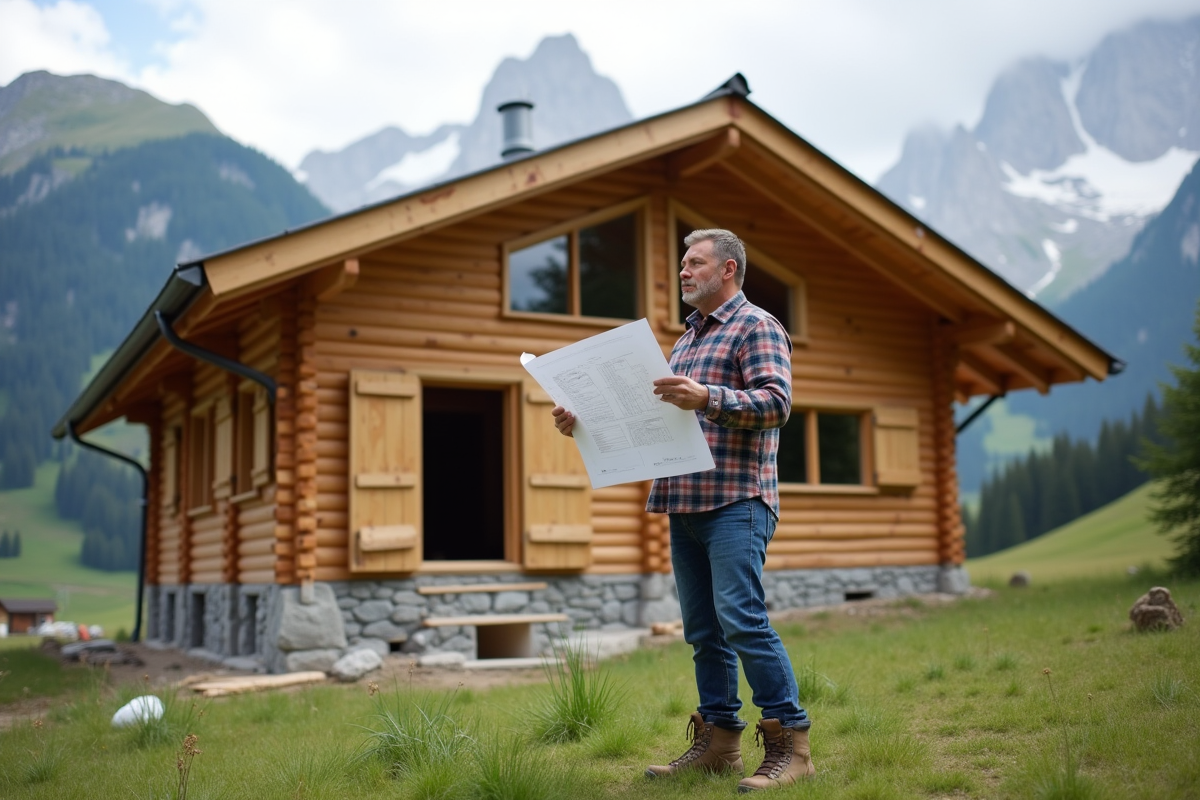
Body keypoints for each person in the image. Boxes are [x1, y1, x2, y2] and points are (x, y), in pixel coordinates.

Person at [552, 229, 814, 792]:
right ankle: (720, 745)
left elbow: (777, 403)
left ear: (728, 270)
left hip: (738, 501)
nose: (683, 271)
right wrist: (584, 424)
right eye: (681, 263)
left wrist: (708, 399)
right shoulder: (687, 340)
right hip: (684, 501)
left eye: (695, 262)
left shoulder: (757, 326)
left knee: (742, 620)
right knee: (703, 632)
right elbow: (655, 421)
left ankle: (792, 747)